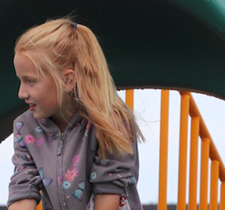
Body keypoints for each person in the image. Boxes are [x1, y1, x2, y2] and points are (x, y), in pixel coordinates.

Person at [8, 17, 143, 210]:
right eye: (20, 81)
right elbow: (22, 191)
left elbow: (107, 197)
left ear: (67, 80)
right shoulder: (26, 127)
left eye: (30, 81)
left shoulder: (111, 122)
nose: (21, 93)